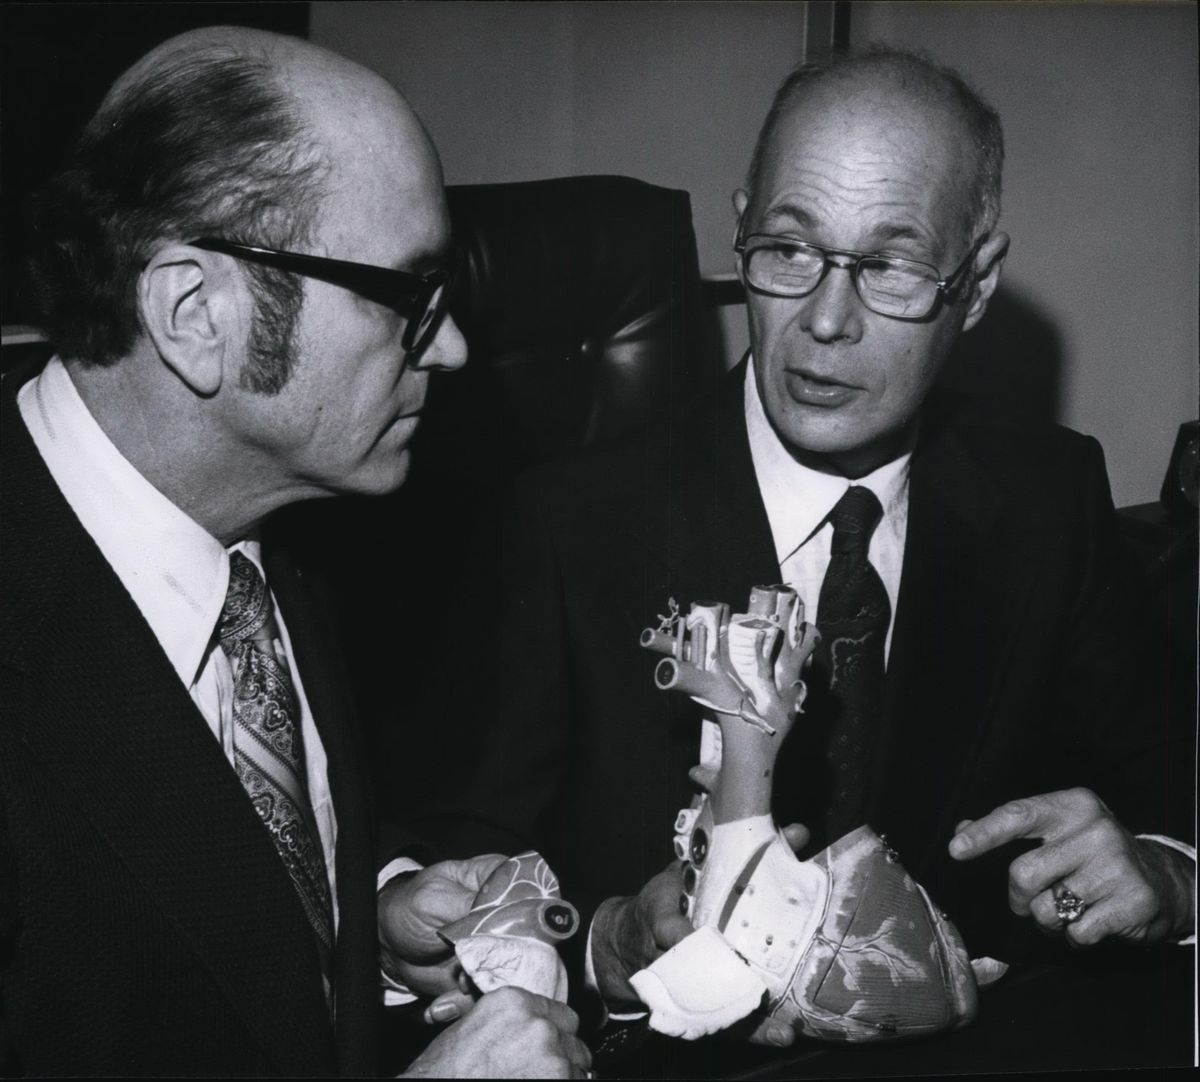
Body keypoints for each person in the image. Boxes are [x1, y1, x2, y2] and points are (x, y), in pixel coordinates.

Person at [389, 48, 1195, 1070]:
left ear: (977, 283)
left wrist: (1169, 877)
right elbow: (442, 883)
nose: (824, 319)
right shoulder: (566, 523)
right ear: (741, 229)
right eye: (787, 249)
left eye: (891, 266)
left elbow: (1175, 782)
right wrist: (600, 943)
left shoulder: (1051, 495)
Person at [0, 26, 590, 1079]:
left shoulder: (281, 530)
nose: (449, 345)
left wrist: (366, 923)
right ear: (195, 314)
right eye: (407, 295)